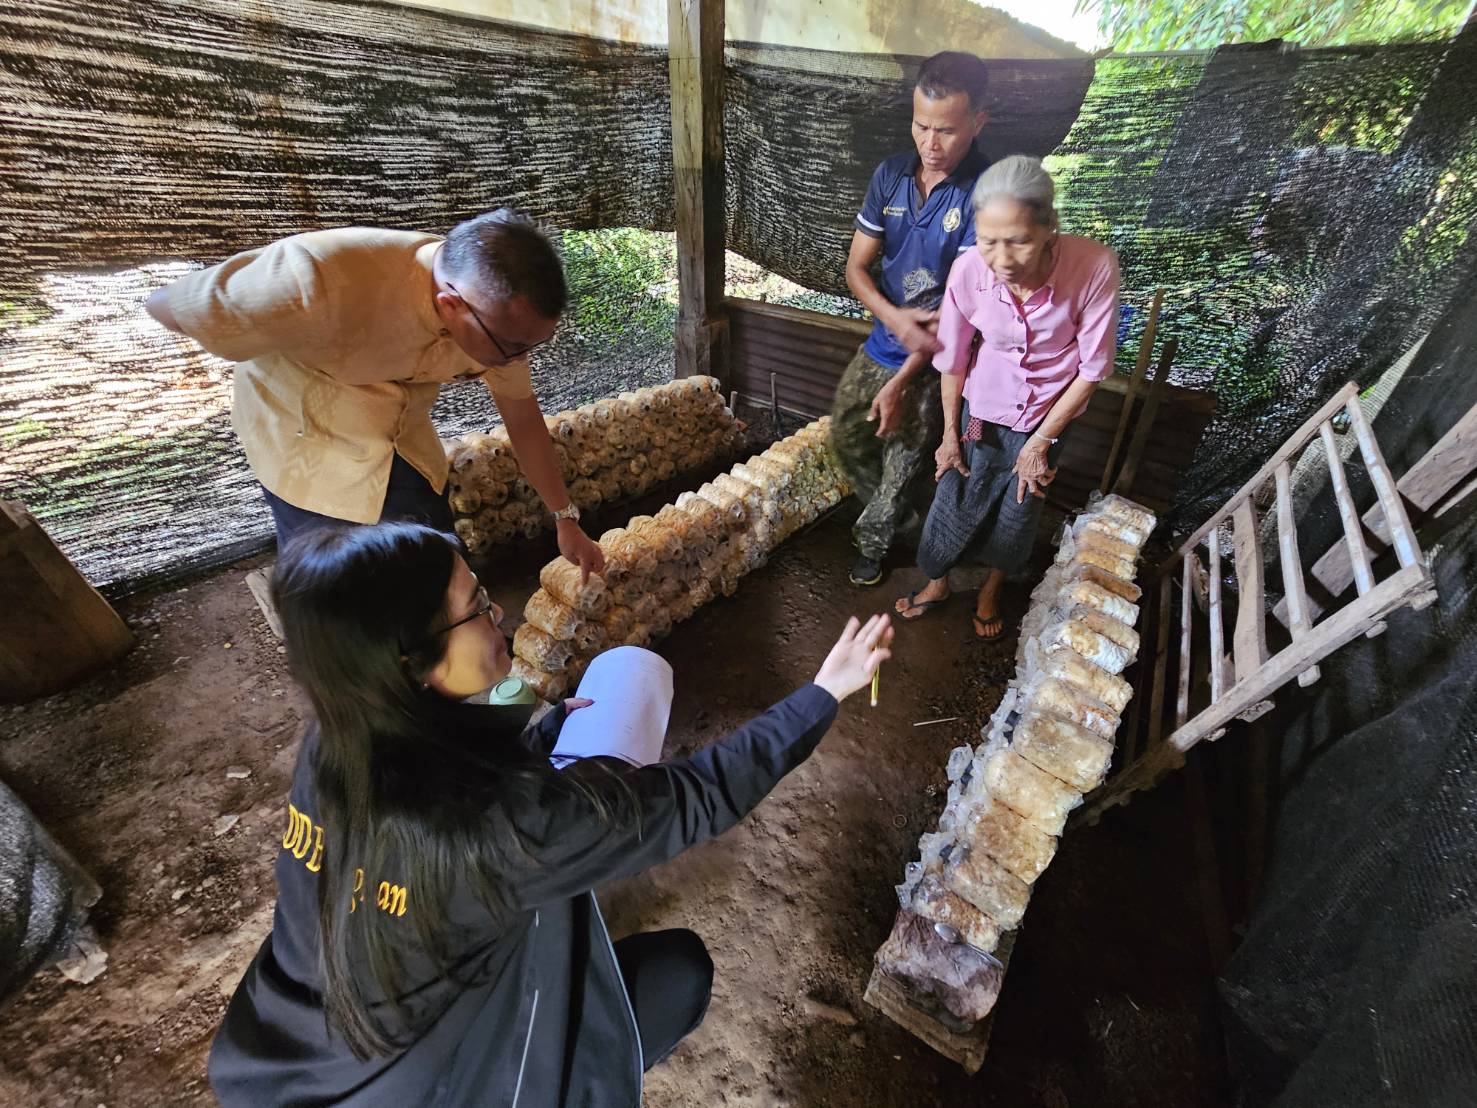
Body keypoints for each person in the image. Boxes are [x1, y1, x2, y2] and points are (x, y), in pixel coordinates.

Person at [207, 521, 892, 1107]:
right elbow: (699, 795)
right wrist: (823, 692)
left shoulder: (334, 744)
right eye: (477, 607)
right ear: (412, 664)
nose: (499, 613)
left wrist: (543, 722)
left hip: (285, 1056)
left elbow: (464, 722)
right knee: (679, 973)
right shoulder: (505, 826)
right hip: (429, 1085)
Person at [145, 210, 605, 579]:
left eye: (531, 345)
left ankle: (450, 660)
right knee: (342, 593)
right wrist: (254, 319)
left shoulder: (499, 324)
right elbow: (168, 305)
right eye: (513, 348)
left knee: (437, 572)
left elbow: (522, 417)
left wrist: (564, 516)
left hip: (399, 442)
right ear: (451, 306)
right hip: (307, 451)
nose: (517, 358)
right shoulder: (314, 277)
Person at [893, 155, 1120, 640]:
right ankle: (936, 582)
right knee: (955, 488)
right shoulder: (968, 270)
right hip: (982, 412)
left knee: (1020, 505)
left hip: (1048, 418)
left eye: (1017, 241)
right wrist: (950, 433)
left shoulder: (1093, 267)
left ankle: (990, 592)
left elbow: (1093, 368)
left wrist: (1040, 443)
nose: (1001, 259)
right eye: (988, 240)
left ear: (1048, 229)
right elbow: (953, 360)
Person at [830, 51, 991, 588]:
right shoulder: (891, 176)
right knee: (848, 435)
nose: (931, 143)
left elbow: (960, 310)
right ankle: (911, 520)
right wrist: (893, 318)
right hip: (887, 339)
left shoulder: (983, 196)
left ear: (977, 122)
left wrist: (902, 379)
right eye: (921, 125)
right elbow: (856, 267)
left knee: (902, 451)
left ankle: (874, 543)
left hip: (944, 358)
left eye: (945, 130)